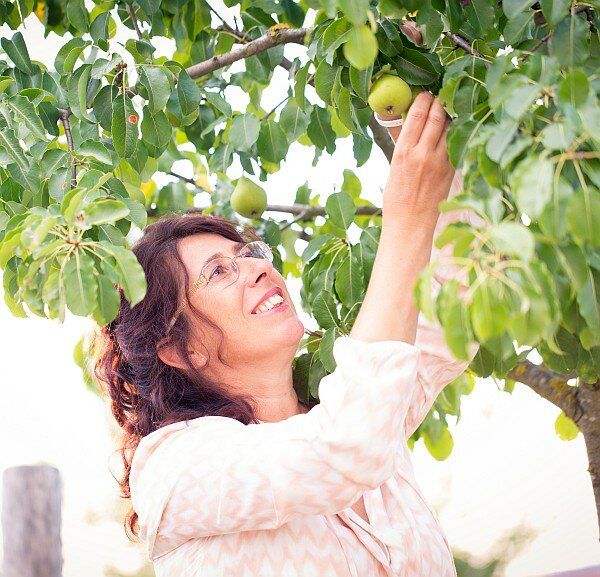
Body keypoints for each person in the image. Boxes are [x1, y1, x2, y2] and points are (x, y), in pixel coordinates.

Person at [94, 92, 482, 577]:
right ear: (178, 348)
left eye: (248, 254)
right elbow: (345, 445)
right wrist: (407, 214)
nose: (255, 269)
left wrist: (411, 112)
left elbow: (455, 301)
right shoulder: (175, 468)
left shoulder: (359, 414)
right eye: (217, 273)